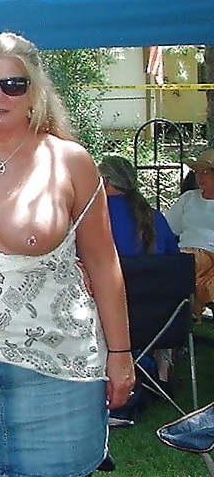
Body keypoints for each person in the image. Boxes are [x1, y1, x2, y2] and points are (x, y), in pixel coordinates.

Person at [0, 32, 134, 477]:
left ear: (35, 90)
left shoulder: (69, 160)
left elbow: (104, 263)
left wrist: (120, 354)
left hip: (59, 363)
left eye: (13, 84)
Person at [98, 155, 179, 418]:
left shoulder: (94, 221)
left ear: (104, 182)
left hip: (109, 322)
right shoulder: (155, 218)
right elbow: (175, 265)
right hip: (161, 322)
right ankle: (156, 369)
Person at [165, 148, 214, 317]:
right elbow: (170, 228)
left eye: (205, 172)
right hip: (185, 251)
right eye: (197, 172)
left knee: (188, 267)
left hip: (208, 253)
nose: (200, 177)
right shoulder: (189, 198)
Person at [98, 155, 179, 256]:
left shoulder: (95, 216)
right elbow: (174, 256)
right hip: (154, 266)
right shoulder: (154, 216)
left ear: (104, 181)